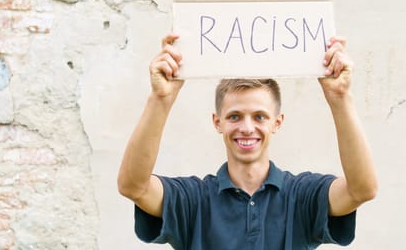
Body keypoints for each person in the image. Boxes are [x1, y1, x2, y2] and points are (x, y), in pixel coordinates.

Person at [118, 33, 377, 250]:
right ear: (217, 122)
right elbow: (134, 187)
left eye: (260, 116)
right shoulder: (193, 200)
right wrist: (160, 99)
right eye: (234, 116)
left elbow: (361, 190)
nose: (247, 128)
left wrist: (341, 98)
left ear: (277, 122)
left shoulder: (301, 195)